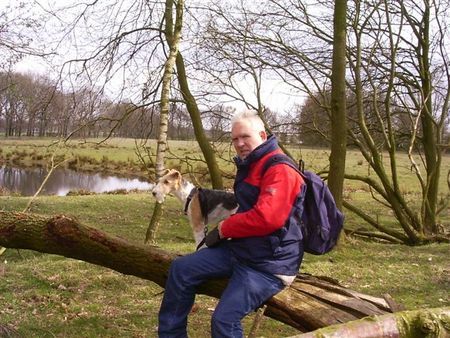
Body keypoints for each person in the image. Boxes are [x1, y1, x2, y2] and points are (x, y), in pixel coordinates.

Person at [158, 110, 306, 338]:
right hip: (241, 251)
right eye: (235, 139)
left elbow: (268, 218)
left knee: (224, 320)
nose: (240, 144)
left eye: (245, 136)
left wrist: (224, 228)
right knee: (180, 269)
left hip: (269, 264)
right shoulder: (251, 165)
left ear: (263, 135)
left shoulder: (280, 170)